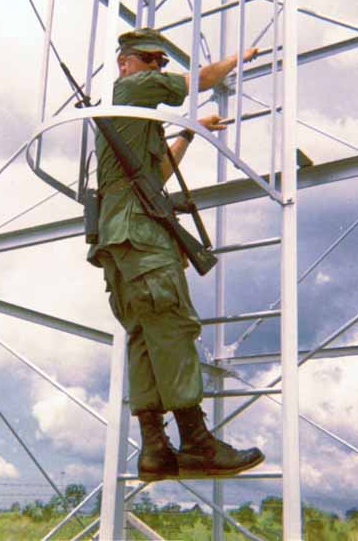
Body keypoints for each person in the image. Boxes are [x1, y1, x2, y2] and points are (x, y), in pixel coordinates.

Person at [88, 27, 265, 481]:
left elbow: (156, 175)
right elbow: (199, 80)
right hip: (141, 236)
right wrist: (238, 58)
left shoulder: (128, 121)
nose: (156, 69)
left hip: (121, 240)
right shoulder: (131, 88)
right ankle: (198, 443)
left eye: (160, 63)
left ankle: (156, 451)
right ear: (128, 62)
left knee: (146, 338)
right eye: (150, 60)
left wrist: (189, 134)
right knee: (172, 325)